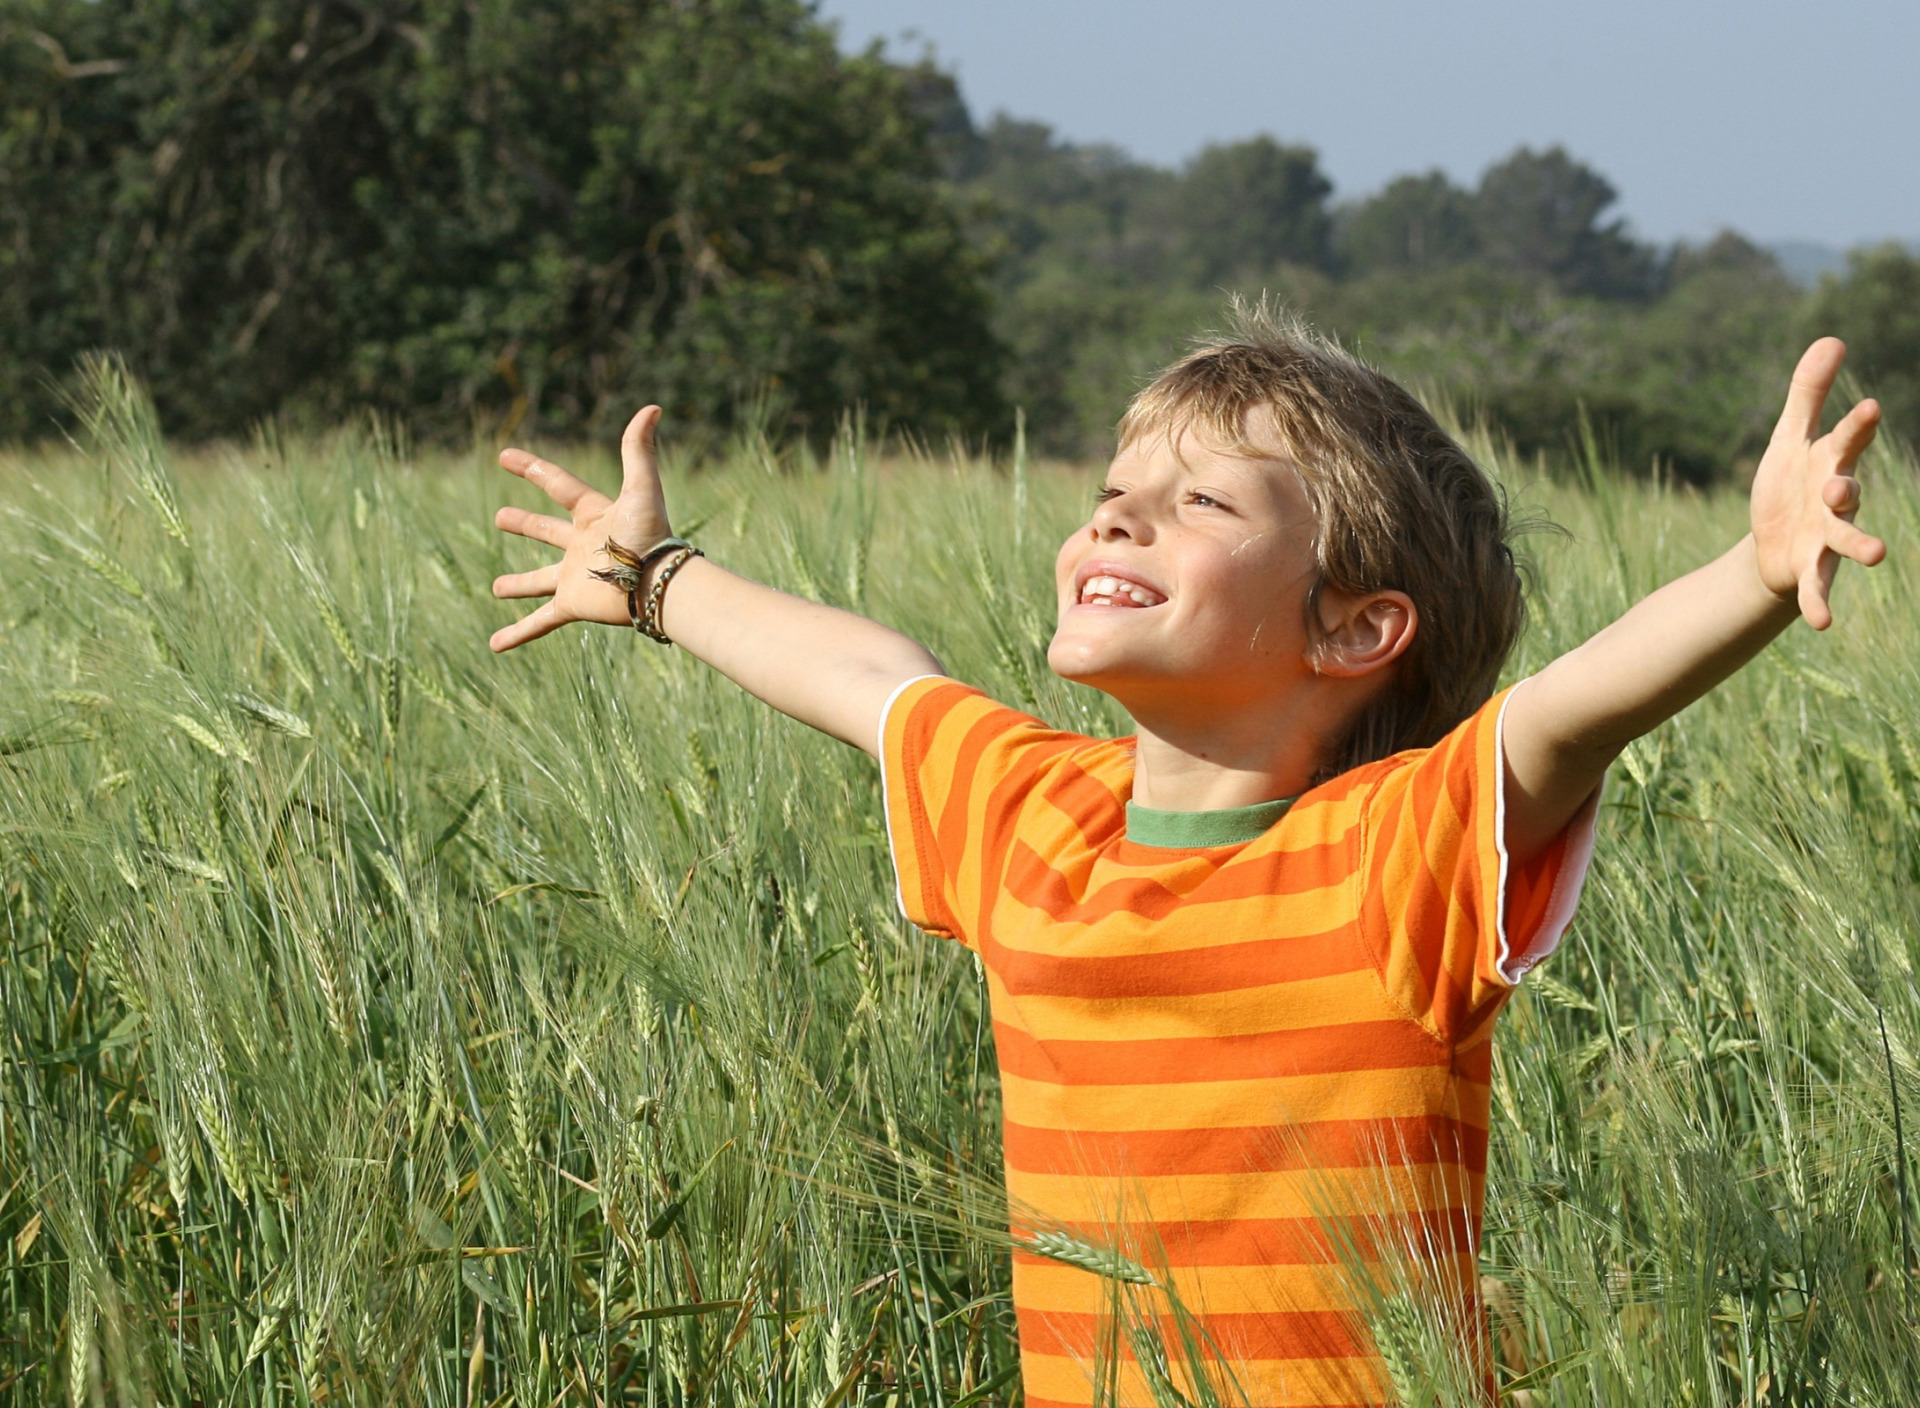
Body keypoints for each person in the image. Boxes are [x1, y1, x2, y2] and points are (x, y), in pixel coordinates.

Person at [486, 306, 1884, 1407]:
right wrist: (656, 581)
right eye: (1113, 490)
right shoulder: (1037, 816)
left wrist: (1755, 575)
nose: (1115, 516)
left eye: (1204, 505)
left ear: (1353, 630)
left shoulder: (1396, 854)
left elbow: (1570, 714)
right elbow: (869, 676)